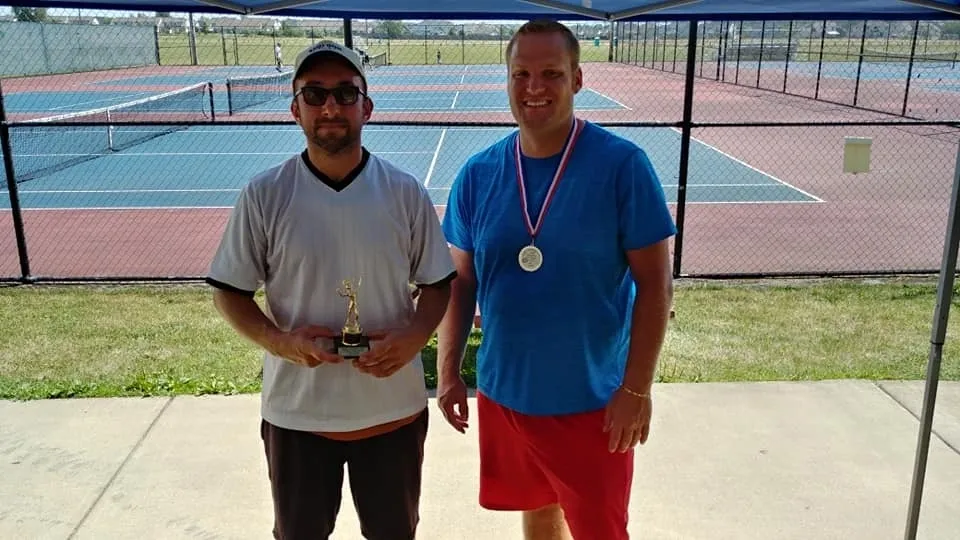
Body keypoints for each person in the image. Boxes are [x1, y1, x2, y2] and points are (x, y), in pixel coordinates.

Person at [436, 19, 676, 540]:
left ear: (578, 79)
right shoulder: (478, 174)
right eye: (521, 73)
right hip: (506, 393)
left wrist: (637, 388)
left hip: (592, 402)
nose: (534, 88)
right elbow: (459, 283)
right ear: (507, 79)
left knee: (600, 530)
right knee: (539, 512)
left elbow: (656, 286)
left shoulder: (622, 167)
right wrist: (449, 370)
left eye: (551, 73)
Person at [206, 40, 455, 540]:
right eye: (314, 94)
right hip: (298, 416)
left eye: (345, 93)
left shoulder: (405, 191)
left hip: (392, 414)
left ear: (367, 106)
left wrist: (414, 338)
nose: (330, 106)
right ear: (295, 108)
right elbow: (229, 292)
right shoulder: (264, 194)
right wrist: (281, 342)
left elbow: (437, 284)